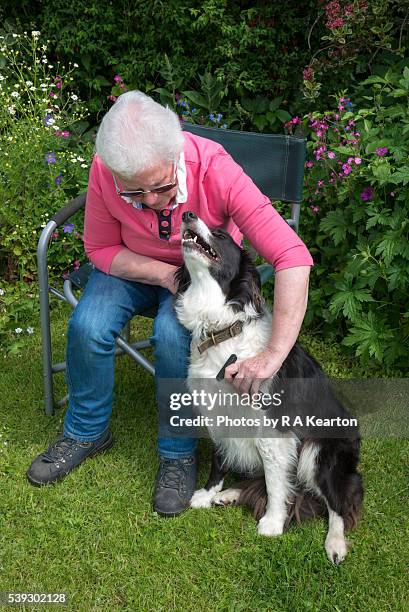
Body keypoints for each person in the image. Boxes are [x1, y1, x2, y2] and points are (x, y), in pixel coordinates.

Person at [27, 91, 313, 517]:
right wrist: (164, 275)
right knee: (89, 324)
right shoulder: (107, 170)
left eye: (162, 187)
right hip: (136, 269)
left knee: (172, 333)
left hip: (204, 279)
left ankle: (178, 453)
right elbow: (100, 247)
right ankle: (86, 431)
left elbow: (292, 256)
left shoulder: (215, 167)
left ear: (176, 150)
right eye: (134, 194)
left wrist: (273, 354)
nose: (152, 202)